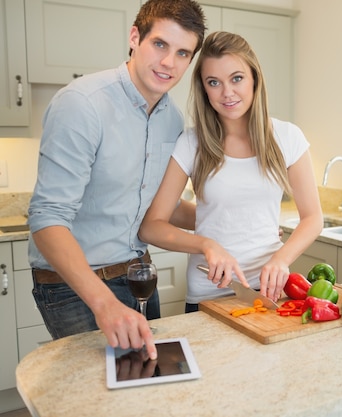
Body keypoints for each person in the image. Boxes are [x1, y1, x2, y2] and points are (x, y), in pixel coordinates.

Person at [27, 0, 206, 360]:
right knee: (102, 399)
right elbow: (47, 219)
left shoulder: (172, 120)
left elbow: (161, 206)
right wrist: (105, 303)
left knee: (144, 385)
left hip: (139, 276)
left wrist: (232, 220)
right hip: (74, 288)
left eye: (183, 53)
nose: (169, 62)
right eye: (160, 44)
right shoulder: (82, 104)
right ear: (135, 37)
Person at [138, 31, 323, 312]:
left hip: (268, 291)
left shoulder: (288, 137)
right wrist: (206, 245)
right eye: (214, 82)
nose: (227, 93)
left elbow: (313, 218)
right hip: (207, 295)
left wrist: (281, 259)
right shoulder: (192, 143)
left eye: (236, 78)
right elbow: (152, 226)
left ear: (254, 79)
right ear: (204, 89)